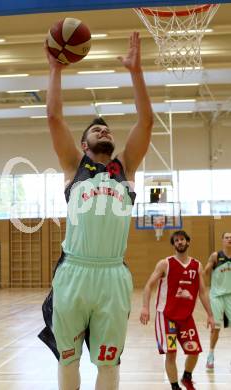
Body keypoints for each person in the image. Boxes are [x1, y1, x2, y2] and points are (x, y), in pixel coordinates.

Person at [38, 32, 153, 390]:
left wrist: (135, 72)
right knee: (68, 361)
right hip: (73, 272)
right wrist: (56, 69)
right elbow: (55, 117)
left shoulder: (126, 168)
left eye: (106, 128)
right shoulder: (74, 167)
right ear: (84, 145)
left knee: (108, 365)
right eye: (95, 130)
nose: (103, 130)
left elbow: (146, 122)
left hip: (113, 276)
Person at [140, 230, 215, 390]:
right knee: (171, 353)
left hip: (186, 318)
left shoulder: (197, 265)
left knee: (194, 351)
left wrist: (210, 314)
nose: (180, 242)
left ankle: (187, 377)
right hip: (166, 318)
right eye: (176, 240)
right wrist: (145, 307)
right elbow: (148, 286)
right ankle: (175, 387)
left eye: (182, 239)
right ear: (173, 245)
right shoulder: (165, 263)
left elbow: (202, 292)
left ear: (188, 242)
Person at [204, 232, 231, 370]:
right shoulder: (216, 256)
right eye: (227, 237)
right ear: (222, 240)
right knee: (216, 328)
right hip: (216, 296)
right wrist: (207, 269)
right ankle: (210, 354)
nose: (229, 239)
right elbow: (206, 271)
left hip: (230, 296)